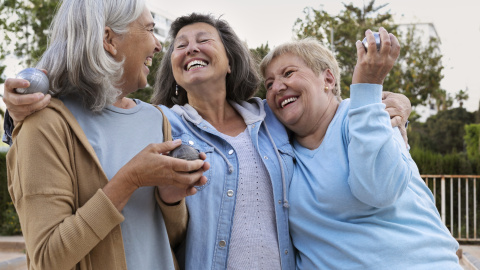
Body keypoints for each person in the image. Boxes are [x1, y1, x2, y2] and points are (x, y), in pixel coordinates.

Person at [3, 13, 412, 269]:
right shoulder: (162, 122)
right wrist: (16, 112)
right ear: (175, 70)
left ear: (229, 58)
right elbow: (99, 119)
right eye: (179, 45)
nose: (188, 48)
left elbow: (327, 112)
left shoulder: (271, 116)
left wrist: (392, 102)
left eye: (203, 40)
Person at [3, 0, 209, 269]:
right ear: (109, 39)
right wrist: (130, 180)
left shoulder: (155, 119)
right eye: (149, 29)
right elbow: (47, 259)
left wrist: (171, 199)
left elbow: (170, 237)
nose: (158, 45)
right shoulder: (44, 124)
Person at [260, 31, 461, 269]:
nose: (277, 88)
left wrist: (367, 87)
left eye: (288, 73)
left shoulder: (372, 113)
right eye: (269, 84)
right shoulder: (277, 148)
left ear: (328, 80)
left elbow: (379, 190)